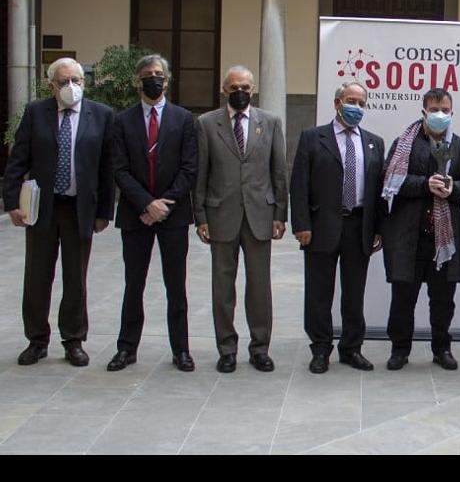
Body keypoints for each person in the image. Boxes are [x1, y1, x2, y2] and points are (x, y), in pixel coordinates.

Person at [3, 57, 114, 367]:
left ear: (84, 82)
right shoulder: (36, 113)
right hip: (43, 207)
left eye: (76, 80)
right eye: (64, 81)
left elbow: (107, 167)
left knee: (76, 278)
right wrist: (11, 202)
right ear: (51, 85)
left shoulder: (102, 115)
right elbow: (18, 160)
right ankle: (37, 340)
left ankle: (74, 340)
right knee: (37, 277)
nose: (71, 86)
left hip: (79, 209)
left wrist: (104, 212)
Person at [194, 65, 288, 373]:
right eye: (234, 87)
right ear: (224, 90)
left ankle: (260, 348)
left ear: (253, 89)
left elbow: (278, 171)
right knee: (223, 287)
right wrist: (200, 215)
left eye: (246, 87)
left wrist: (280, 214)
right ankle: (227, 349)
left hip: (260, 215)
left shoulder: (270, 122)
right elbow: (201, 173)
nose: (240, 92)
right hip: (220, 215)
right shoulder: (206, 124)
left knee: (259, 287)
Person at [108, 54, 198, 372]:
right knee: (134, 284)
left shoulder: (184, 119)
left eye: (159, 73)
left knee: (176, 285)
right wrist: (147, 204)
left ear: (167, 81)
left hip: (173, 215)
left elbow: (189, 168)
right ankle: (126, 348)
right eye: (148, 74)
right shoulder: (122, 121)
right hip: (136, 214)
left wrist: (163, 204)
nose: (154, 79)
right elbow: (119, 169)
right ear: (138, 81)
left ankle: (181, 350)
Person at [289, 82, 387, 374]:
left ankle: (351, 348)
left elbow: (379, 190)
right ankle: (320, 348)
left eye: (361, 102)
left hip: (359, 226)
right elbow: (299, 184)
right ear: (337, 103)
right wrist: (301, 224)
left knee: (354, 293)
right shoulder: (312, 138)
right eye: (350, 100)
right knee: (319, 292)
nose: (356, 107)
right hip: (321, 226)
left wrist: (379, 227)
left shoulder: (374, 142)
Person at [381, 88, 460, 372]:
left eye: (445, 110)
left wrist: (453, 188)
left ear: (452, 112)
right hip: (408, 235)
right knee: (403, 299)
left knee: (443, 301)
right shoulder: (404, 143)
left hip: (445, 238)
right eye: (434, 109)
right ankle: (399, 349)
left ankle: (441, 349)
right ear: (423, 111)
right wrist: (425, 184)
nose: (440, 114)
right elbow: (389, 179)